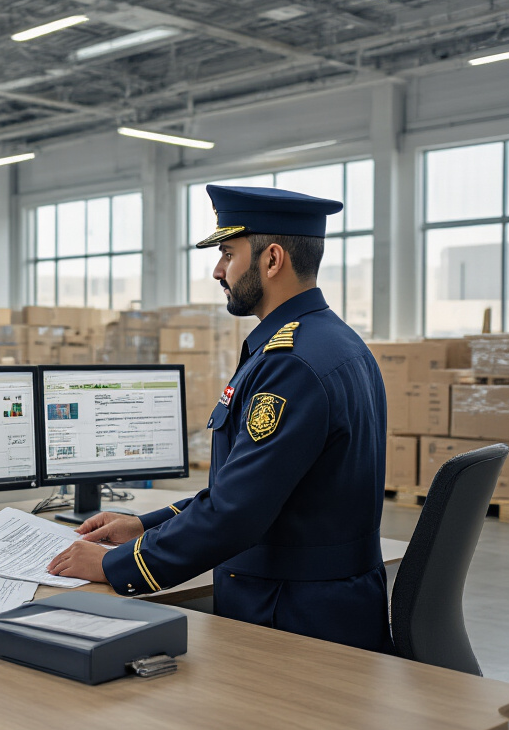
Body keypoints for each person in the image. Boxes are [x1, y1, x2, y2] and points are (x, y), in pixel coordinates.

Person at [46, 184, 393, 653]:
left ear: (272, 261)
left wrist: (114, 566)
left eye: (228, 254)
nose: (217, 270)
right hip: (327, 604)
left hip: (293, 619)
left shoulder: (290, 364)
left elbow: (234, 516)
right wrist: (143, 527)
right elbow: (247, 489)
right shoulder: (333, 342)